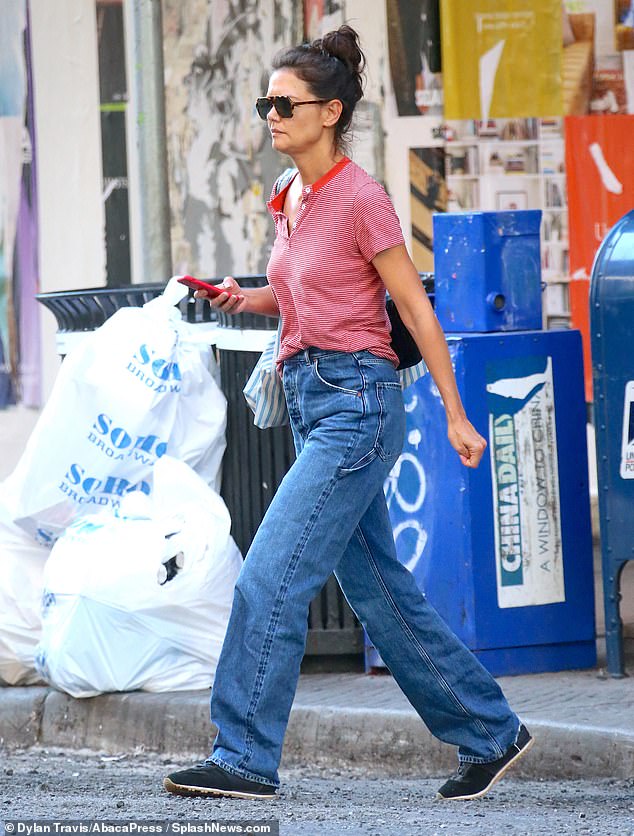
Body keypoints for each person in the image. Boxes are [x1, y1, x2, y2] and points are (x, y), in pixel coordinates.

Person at [164, 24, 533, 803]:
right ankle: (490, 731)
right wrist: (246, 298)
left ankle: (242, 756)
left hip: (357, 409)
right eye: (265, 101)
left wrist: (458, 415)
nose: (271, 113)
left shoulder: (362, 198)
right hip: (310, 401)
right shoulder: (290, 196)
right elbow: (304, 292)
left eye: (284, 102)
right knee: (379, 593)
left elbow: (415, 313)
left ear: (329, 111)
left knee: (268, 578)